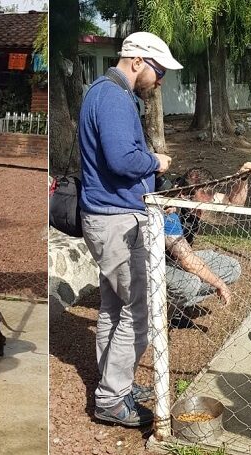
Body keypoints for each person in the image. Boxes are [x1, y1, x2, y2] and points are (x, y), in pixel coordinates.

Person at [77, 31, 181, 427]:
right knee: (140, 312)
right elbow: (122, 159)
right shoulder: (115, 98)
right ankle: (110, 398)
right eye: (158, 72)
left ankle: (112, 383)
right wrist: (156, 161)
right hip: (117, 220)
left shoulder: (104, 92)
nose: (160, 81)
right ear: (137, 61)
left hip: (105, 216)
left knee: (114, 306)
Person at [162, 163, 251, 324]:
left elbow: (234, 204)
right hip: (151, 265)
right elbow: (187, 260)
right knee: (190, 283)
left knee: (231, 267)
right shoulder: (168, 208)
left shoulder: (201, 192)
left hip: (177, 259)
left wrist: (242, 179)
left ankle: (177, 302)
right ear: (184, 195)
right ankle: (157, 313)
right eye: (198, 206)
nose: (202, 212)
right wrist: (219, 284)